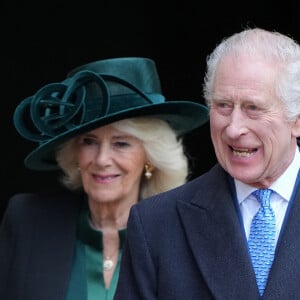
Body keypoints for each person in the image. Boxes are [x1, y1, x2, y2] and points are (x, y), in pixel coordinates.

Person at [0, 57, 209, 300]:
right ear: (74, 153)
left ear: (149, 157)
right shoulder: (27, 220)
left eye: (121, 143)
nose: (101, 159)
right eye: (89, 141)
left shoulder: (185, 239)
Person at [114, 28, 300, 300]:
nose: (234, 128)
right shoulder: (156, 224)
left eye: (253, 108)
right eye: (223, 105)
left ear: (296, 119)